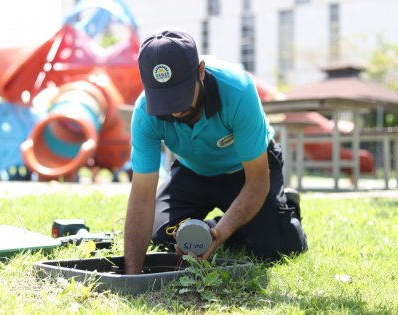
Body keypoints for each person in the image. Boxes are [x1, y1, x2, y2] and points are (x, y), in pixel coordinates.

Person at [124, 29, 307, 274]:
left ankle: (283, 209)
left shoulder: (238, 90)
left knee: (277, 247)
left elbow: (256, 182)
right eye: (164, 99)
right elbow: (141, 196)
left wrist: (219, 233)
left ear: (200, 71)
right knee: (162, 237)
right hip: (193, 170)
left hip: (245, 171)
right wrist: (131, 275)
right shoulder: (144, 111)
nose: (175, 111)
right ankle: (229, 225)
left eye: (179, 96)